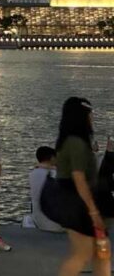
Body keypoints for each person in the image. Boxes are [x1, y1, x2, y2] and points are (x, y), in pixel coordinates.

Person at [50, 97, 110, 276]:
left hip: (80, 203)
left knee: (102, 252)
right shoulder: (75, 143)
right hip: (80, 206)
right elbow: (79, 179)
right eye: (89, 113)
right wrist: (93, 212)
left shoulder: (73, 142)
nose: (92, 117)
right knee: (82, 255)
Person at [25, 145, 62, 232]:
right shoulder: (55, 173)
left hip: (38, 221)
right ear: (52, 158)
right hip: (55, 225)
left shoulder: (33, 174)